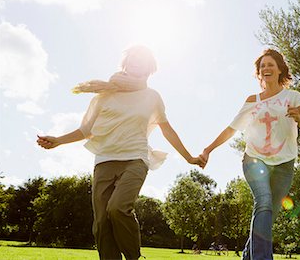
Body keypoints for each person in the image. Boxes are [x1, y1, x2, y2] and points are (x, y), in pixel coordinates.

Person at [37, 45, 205, 260]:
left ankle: (134, 257)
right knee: (101, 224)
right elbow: (85, 130)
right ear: (125, 63)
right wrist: (58, 140)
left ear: (149, 68)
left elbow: (167, 129)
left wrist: (189, 157)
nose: (136, 62)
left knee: (117, 208)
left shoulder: (151, 96)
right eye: (133, 58)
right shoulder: (104, 94)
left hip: (135, 158)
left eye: (142, 59)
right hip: (105, 160)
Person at [200, 49, 300, 260]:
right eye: (262, 67)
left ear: (280, 69)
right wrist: (208, 149)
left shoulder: (293, 96)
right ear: (259, 74)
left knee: (268, 216)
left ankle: (247, 256)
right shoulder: (253, 100)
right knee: (263, 202)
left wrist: (299, 118)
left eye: (270, 65)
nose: (266, 69)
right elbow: (231, 129)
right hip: (254, 159)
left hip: (284, 164)